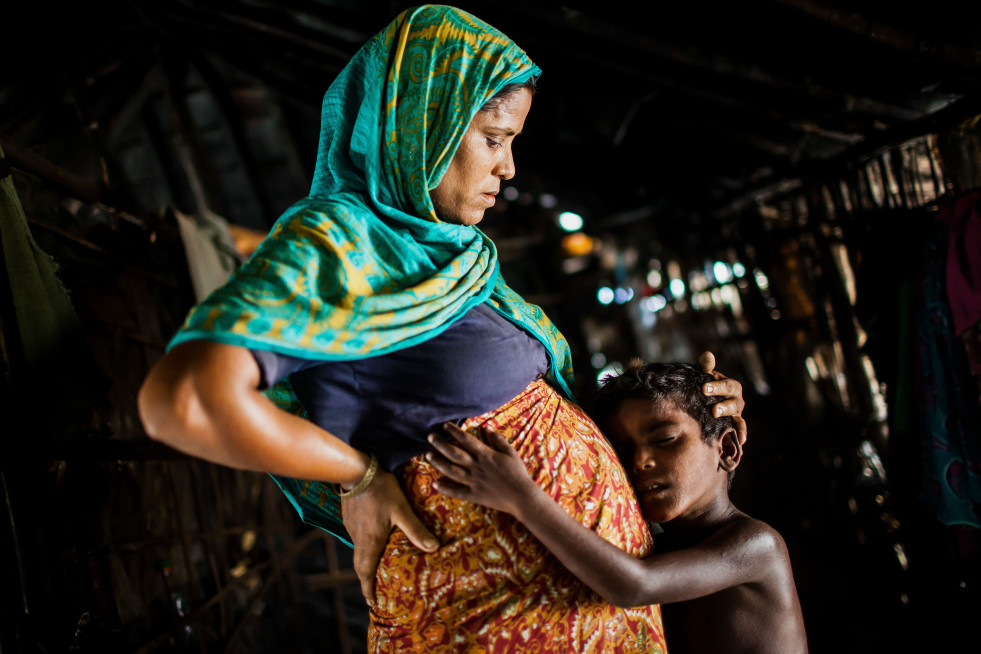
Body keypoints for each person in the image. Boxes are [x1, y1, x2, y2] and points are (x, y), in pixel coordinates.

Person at [138, 5, 747, 651]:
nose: (507, 168)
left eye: (512, 141)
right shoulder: (335, 243)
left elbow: (516, 408)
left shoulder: (457, 260)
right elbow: (185, 401)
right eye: (492, 137)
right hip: (478, 621)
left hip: (577, 614)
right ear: (419, 124)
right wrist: (358, 475)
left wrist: (694, 411)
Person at [427, 360, 807, 654]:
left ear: (726, 449)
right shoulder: (646, 541)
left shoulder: (757, 545)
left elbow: (635, 586)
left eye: (665, 439)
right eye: (622, 453)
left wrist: (521, 497)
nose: (640, 461)